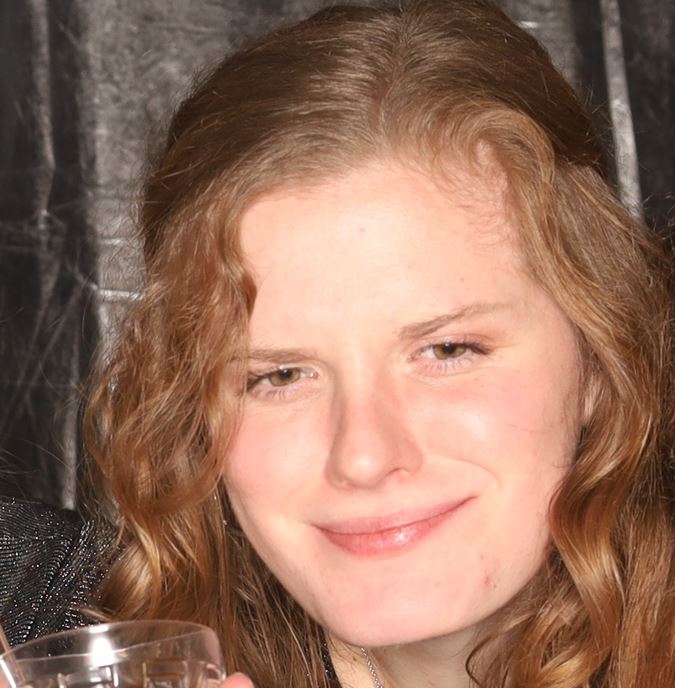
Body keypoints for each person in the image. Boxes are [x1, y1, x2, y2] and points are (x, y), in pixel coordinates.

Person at [2, 1, 672, 687]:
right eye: (280, 376)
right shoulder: (50, 635)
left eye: (447, 351)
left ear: (597, 359)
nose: (363, 456)